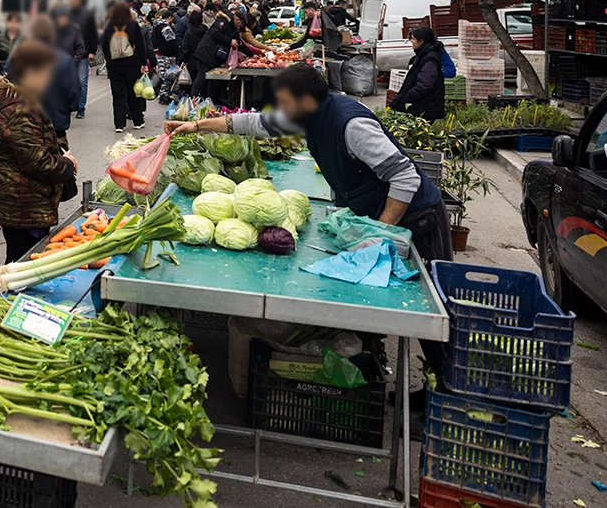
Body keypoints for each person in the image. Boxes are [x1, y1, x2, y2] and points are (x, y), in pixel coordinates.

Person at [165, 62, 450, 382]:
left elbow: (405, 177)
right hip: (382, 215)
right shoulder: (310, 115)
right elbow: (256, 123)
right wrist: (197, 126)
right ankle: (438, 388)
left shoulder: (350, 124)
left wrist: (382, 232)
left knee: (436, 314)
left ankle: (450, 393)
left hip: (418, 219)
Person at [0, 40, 79, 264]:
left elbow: (23, 148)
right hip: (23, 204)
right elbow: (38, 163)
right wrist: (67, 164)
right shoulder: (20, 110)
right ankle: (7, 297)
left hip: (7, 196)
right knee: (23, 261)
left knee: (17, 256)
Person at [101, 1, 150, 133]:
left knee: (117, 95)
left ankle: (119, 125)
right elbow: (141, 45)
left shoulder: (108, 27)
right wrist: (143, 63)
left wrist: (109, 61)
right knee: (132, 93)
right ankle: (138, 121)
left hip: (114, 65)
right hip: (131, 64)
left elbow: (105, 46)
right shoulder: (133, 25)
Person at [28, 14, 80, 141]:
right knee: (60, 159)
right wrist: (71, 108)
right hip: (57, 124)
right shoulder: (64, 60)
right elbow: (74, 90)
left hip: (27, 126)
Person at [389, 26, 447, 121]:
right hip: (423, 106)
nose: (411, 41)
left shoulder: (430, 59)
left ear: (421, 41)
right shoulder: (423, 54)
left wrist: (406, 98)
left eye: (413, 39)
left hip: (426, 108)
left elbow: (424, 85)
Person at [68, 0, 99, 119]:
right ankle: (70, 105)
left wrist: (92, 50)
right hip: (68, 53)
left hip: (83, 53)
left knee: (82, 81)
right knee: (69, 81)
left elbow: (93, 34)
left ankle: (81, 107)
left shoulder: (88, 15)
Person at [52, 7, 87, 115]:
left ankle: (75, 108)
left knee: (72, 87)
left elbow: (81, 48)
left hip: (69, 66)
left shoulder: (74, 30)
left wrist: (73, 61)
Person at [178, 8, 208, 91]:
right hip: (204, 61)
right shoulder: (206, 31)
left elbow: (185, 48)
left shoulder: (189, 33)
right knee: (203, 83)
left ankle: (193, 99)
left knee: (192, 83)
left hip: (191, 61)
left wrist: (183, 60)